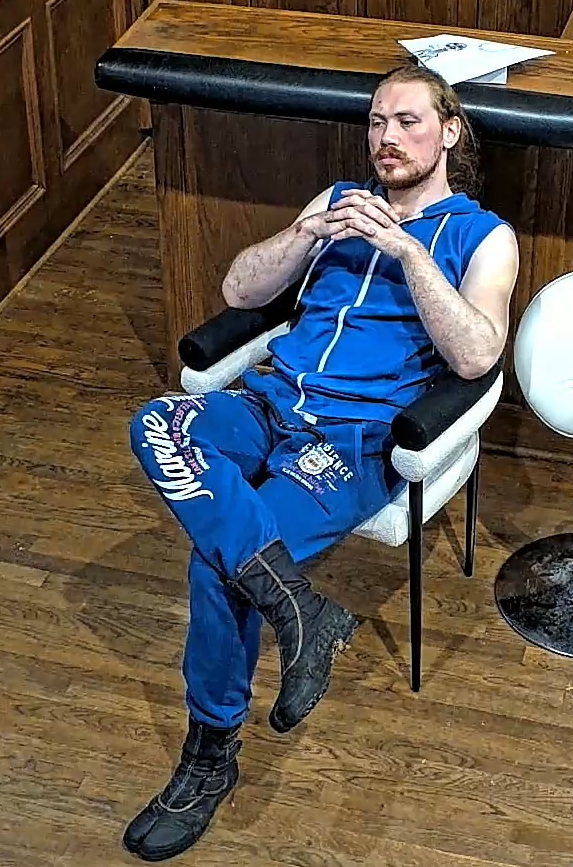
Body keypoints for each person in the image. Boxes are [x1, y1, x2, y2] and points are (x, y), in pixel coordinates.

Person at [123, 63, 519, 861]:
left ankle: (208, 756)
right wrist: (309, 233)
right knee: (158, 420)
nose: (385, 138)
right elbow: (240, 290)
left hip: (352, 442)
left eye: (406, 121)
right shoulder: (335, 201)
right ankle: (303, 610)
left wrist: (406, 250)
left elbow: (477, 354)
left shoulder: (482, 235)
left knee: (217, 567)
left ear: (448, 131)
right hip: (269, 402)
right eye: (375, 122)